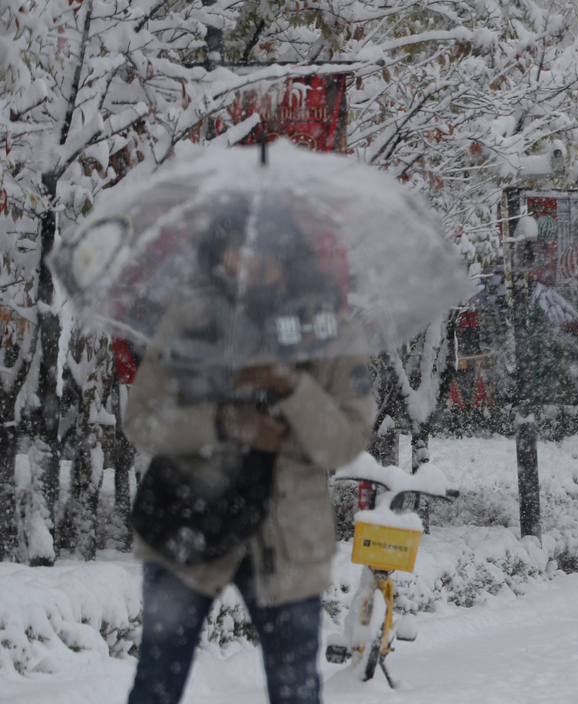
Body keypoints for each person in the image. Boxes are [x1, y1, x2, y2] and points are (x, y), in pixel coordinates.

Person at [122, 198, 375, 704]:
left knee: (294, 691)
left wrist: (290, 385)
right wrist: (220, 421)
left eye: (261, 253)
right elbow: (142, 420)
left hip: (286, 539)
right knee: (156, 684)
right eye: (234, 252)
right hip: (186, 522)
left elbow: (344, 441)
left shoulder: (326, 327)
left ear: (287, 256)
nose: (245, 265)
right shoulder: (189, 316)